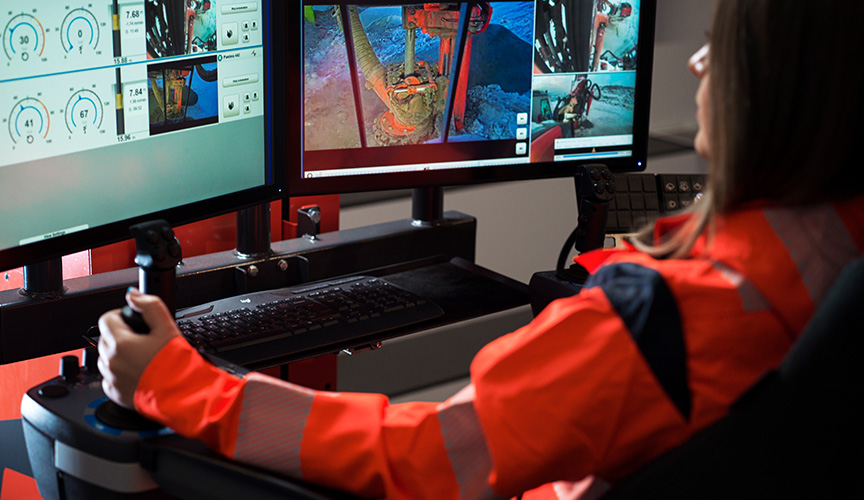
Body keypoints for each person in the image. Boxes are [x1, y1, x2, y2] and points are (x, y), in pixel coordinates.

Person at [98, 0, 864, 498]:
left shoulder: (662, 322)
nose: (697, 64)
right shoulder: (834, 255)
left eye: (721, 48)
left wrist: (174, 381)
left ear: (783, 90)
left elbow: (428, 457)